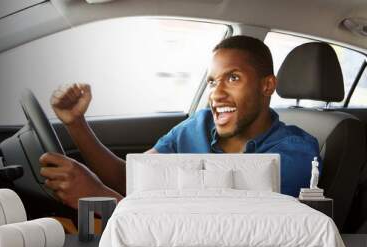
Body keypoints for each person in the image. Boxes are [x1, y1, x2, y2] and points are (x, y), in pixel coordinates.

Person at [39, 35, 321, 209]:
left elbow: (218, 230)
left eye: (233, 78)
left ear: (267, 85)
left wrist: (101, 199)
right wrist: (76, 124)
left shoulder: (294, 153)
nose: (216, 93)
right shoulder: (197, 126)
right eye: (212, 81)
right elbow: (133, 179)